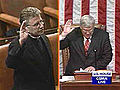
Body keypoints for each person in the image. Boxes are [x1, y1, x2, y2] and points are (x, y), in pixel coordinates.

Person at [5, 7, 55, 90]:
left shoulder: (44, 38)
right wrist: (21, 42)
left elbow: (48, 70)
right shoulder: (18, 43)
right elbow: (10, 63)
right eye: (36, 24)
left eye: (41, 21)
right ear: (25, 27)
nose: (41, 26)